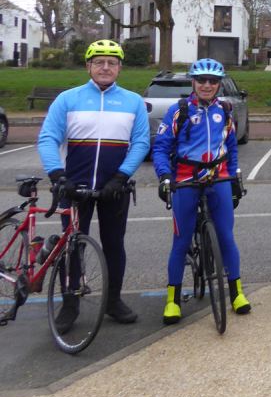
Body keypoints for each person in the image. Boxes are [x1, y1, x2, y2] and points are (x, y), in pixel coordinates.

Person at [38, 39, 150, 330]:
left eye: (112, 63)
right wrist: (57, 175)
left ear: (120, 68)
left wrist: (122, 176)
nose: (105, 67)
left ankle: (113, 301)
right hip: (74, 186)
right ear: (88, 66)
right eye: (99, 62)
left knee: (114, 245)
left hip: (115, 187)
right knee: (72, 246)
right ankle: (70, 305)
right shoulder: (68, 99)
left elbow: (141, 142)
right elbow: (48, 138)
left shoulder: (133, 102)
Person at [152, 58, 250, 325]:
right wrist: (164, 176)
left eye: (213, 81)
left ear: (219, 84)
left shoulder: (225, 111)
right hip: (185, 178)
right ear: (193, 82)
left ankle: (236, 292)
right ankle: (172, 300)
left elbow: (231, 147)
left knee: (226, 237)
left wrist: (233, 176)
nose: (207, 85)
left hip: (218, 177)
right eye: (202, 80)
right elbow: (161, 148)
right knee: (181, 241)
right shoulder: (179, 110)